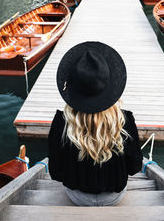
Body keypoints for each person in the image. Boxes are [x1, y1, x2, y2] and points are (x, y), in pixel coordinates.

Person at [48, 41, 143, 206]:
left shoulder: (61, 123)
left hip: (77, 197)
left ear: (72, 87)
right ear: (110, 85)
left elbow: (56, 173)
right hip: (115, 196)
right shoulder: (124, 121)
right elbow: (134, 167)